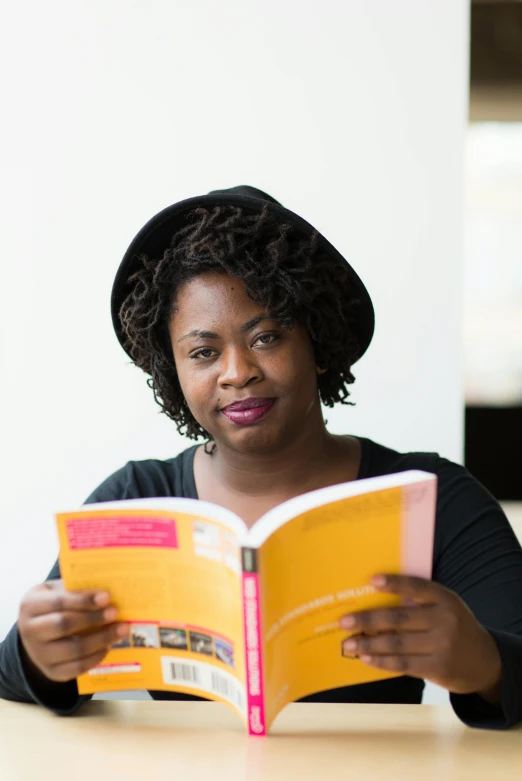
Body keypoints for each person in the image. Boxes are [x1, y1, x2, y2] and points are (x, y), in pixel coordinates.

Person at [1, 185, 521, 728]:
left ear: (317, 343)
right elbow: (10, 673)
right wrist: (41, 654)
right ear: (174, 374)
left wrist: (483, 662)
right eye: (203, 353)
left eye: (267, 337)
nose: (236, 371)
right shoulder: (135, 501)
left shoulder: (434, 498)